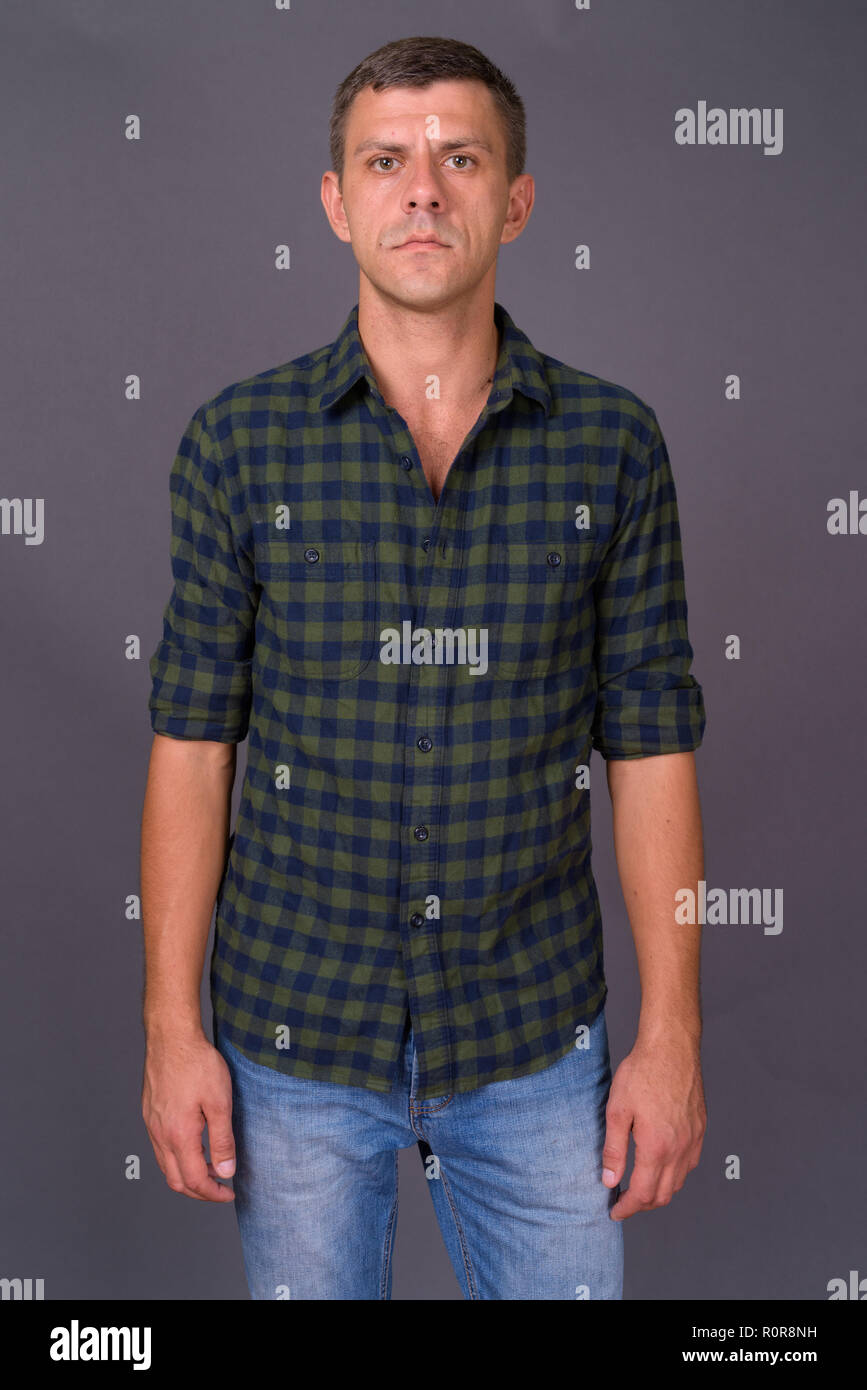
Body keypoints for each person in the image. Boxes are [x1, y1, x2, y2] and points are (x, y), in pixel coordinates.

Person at [140, 35, 708, 1301]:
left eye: (461, 158)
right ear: (337, 202)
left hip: (532, 1041)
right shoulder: (238, 445)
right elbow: (192, 742)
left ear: (515, 199)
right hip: (295, 1040)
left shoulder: (612, 445)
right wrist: (172, 1031)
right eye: (386, 160)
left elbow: (653, 745)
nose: (424, 191)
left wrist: (670, 1041)